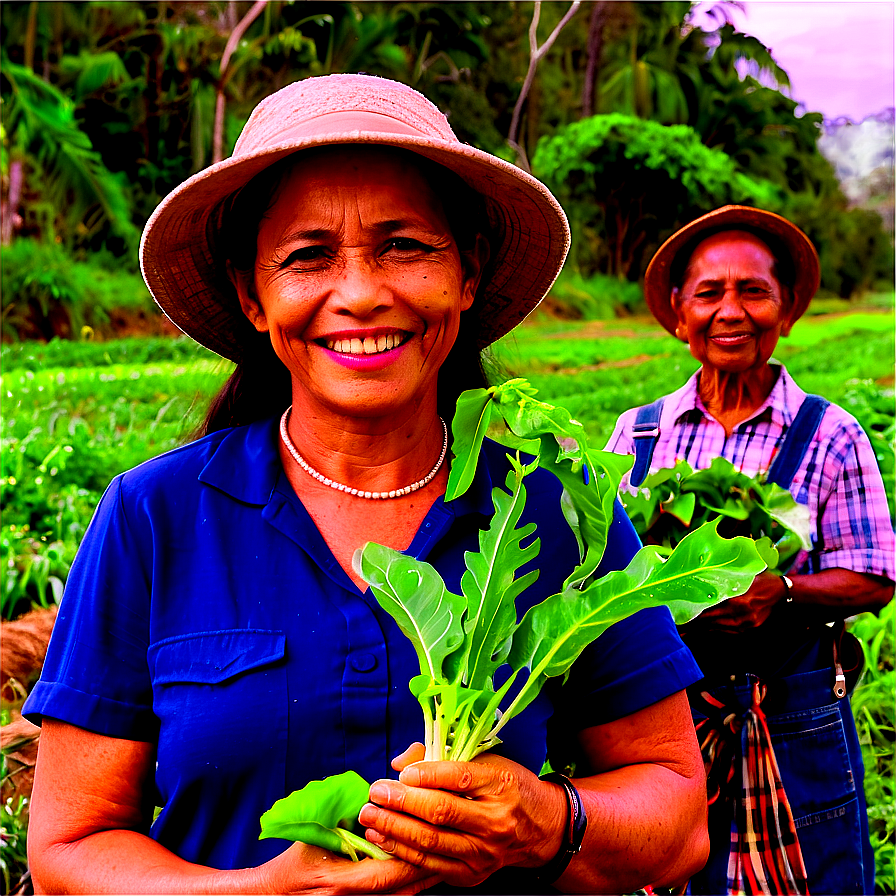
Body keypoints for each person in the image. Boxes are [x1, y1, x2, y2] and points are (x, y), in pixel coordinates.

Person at [24, 74, 709, 895]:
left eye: (405, 246)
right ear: (254, 296)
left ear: (467, 273)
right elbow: (67, 851)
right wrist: (269, 892)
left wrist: (544, 819)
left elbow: (677, 817)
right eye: (308, 256)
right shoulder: (154, 516)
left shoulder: (553, 507)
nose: (359, 293)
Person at [605, 205, 895, 896]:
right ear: (678, 315)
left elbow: (876, 576)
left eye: (753, 292)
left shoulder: (831, 433)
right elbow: (604, 574)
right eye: (708, 294)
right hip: (668, 715)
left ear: (786, 311)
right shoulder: (636, 436)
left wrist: (783, 594)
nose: (730, 311)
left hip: (794, 713)